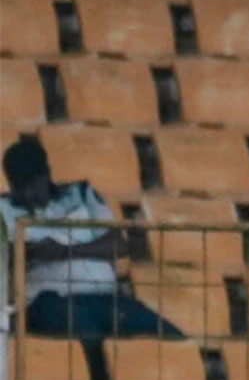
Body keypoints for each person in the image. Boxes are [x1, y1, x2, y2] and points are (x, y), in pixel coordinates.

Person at [1, 135, 183, 340]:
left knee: (167, 333)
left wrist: (65, 252)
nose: (28, 194)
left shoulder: (81, 194)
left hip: (105, 300)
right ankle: (101, 372)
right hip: (49, 303)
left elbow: (118, 245)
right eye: (20, 188)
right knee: (86, 330)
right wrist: (24, 253)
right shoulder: (3, 210)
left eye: (33, 185)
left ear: (47, 175)